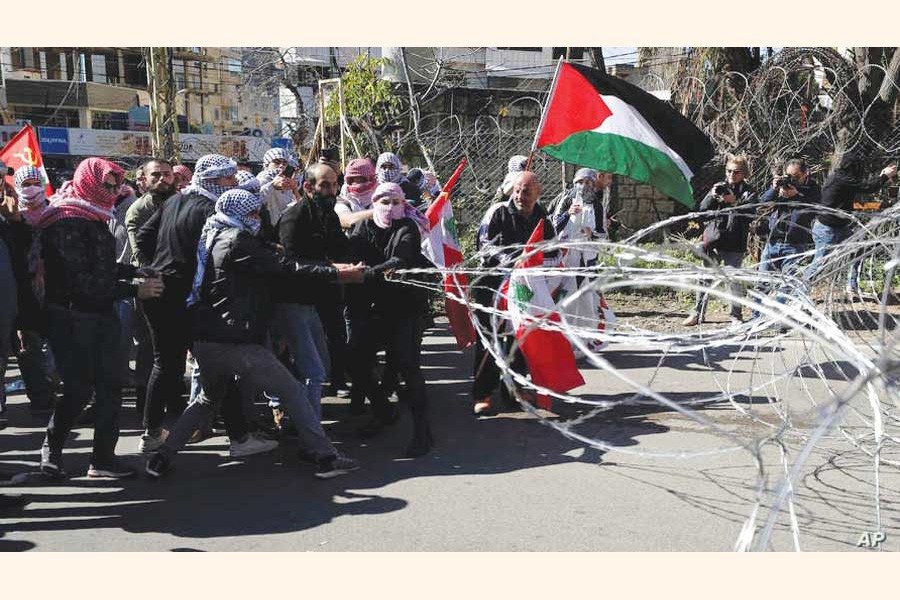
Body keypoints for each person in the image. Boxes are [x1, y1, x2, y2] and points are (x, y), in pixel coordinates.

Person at [146, 189, 363, 479]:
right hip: (235, 341)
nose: (258, 218)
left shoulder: (216, 237)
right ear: (239, 214)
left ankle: (162, 457)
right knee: (293, 391)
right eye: (252, 213)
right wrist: (337, 273)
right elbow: (287, 269)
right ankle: (326, 457)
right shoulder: (237, 241)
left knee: (206, 400)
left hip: (207, 338)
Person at [35, 158, 164, 479]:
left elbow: (103, 266)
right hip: (70, 316)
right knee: (78, 389)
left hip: (101, 315)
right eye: (106, 184)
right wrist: (136, 290)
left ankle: (103, 459)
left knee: (111, 387)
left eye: (115, 185)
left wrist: (136, 271)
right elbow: (81, 281)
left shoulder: (94, 216)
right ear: (88, 181)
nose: (112, 191)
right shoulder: (64, 220)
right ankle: (52, 446)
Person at [134, 154, 236, 454]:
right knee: (212, 361)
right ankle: (237, 433)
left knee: (167, 364)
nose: (232, 184)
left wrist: (158, 266)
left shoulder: (176, 201)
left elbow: (143, 237)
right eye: (228, 179)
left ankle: (153, 431)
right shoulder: (209, 209)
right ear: (215, 181)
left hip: (161, 290)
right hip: (185, 296)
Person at [346, 182, 434, 456]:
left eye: (395, 202)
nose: (389, 207)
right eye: (383, 201)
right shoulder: (363, 228)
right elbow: (353, 256)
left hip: (406, 307)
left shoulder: (406, 227)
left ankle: (423, 432)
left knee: (409, 367)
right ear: (373, 202)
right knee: (356, 360)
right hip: (374, 308)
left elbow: (401, 258)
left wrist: (371, 272)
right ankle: (384, 411)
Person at [472, 171, 555, 416]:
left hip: (523, 290)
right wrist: (515, 262)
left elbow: (552, 249)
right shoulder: (497, 212)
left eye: (527, 191)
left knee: (520, 341)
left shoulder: (542, 217)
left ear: (538, 193)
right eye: (518, 190)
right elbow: (485, 247)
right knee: (490, 342)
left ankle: (514, 389)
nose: (521, 195)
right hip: (492, 287)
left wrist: (538, 266)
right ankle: (482, 394)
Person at [274, 163, 349, 422]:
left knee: (322, 366)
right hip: (294, 302)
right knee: (313, 371)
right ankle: (307, 428)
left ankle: (301, 417)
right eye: (325, 185)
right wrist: (333, 269)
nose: (332, 191)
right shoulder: (294, 217)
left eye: (335, 185)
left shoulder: (328, 215)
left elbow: (341, 249)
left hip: (321, 300)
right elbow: (288, 264)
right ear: (308, 187)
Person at [802, 152, 898, 290]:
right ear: (853, 167)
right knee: (820, 262)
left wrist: (881, 176)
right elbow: (868, 187)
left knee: (857, 250)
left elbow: (864, 186)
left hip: (839, 227)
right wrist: (884, 176)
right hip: (827, 228)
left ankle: (852, 285)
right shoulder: (842, 179)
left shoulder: (842, 178)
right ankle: (800, 292)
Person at [6, 166, 58, 415]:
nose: (31, 188)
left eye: (34, 182)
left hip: (56, 289)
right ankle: (41, 397)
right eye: (25, 183)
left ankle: (58, 386)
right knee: (29, 348)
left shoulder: (57, 211)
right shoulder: (9, 215)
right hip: (22, 291)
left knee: (60, 344)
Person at [683, 157, 757, 326]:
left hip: (735, 242)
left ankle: (736, 315)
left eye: (736, 172)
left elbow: (751, 215)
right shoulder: (719, 187)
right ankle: (697, 313)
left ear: (744, 173)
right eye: (729, 171)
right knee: (704, 278)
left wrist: (735, 202)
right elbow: (702, 210)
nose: (732, 174)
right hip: (714, 240)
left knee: (733, 281)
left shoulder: (749, 192)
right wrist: (713, 196)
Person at [752, 158, 821, 316]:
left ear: (806, 173)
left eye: (796, 177)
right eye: (788, 176)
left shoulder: (813, 188)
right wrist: (773, 188)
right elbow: (762, 202)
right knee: (762, 282)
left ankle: (777, 318)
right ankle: (756, 318)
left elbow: (815, 209)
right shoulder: (782, 186)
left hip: (795, 243)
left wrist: (796, 195)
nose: (792, 180)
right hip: (773, 241)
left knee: (787, 285)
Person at [257, 148, 300, 226]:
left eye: (284, 163)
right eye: (277, 162)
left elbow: (287, 206)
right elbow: (256, 201)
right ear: (267, 165)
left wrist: (294, 190)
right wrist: (272, 186)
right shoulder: (262, 179)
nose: (281, 166)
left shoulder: (285, 179)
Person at [335, 158, 376, 232]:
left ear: (371, 178)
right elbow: (348, 220)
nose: (357, 183)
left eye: (362, 179)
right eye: (352, 180)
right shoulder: (343, 201)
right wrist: (379, 212)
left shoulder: (381, 195)